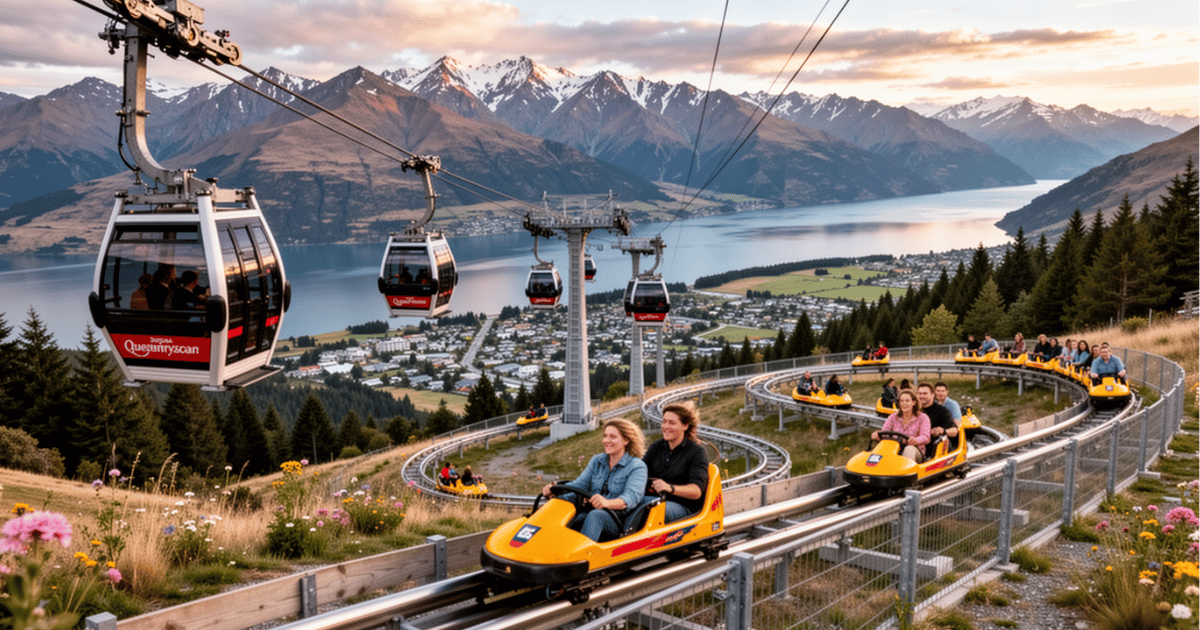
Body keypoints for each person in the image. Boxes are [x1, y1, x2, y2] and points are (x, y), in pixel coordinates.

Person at [542, 418, 647, 541]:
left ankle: (580, 556)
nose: (607, 441)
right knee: (572, 515)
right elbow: (579, 485)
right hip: (591, 513)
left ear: (626, 440)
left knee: (595, 516)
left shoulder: (637, 466)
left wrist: (607, 503)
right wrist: (555, 491)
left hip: (618, 520)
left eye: (613, 437)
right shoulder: (597, 461)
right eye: (605, 436)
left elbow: (631, 497)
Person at [638, 401, 709, 525]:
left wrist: (669, 488)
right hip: (656, 499)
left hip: (683, 507)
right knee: (630, 503)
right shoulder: (656, 447)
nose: (665, 426)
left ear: (685, 426)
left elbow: (696, 491)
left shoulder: (697, 452)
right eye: (664, 421)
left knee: (652, 509)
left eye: (671, 423)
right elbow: (640, 472)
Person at [873, 389, 929, 462]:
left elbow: (926, 437)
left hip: (915, 451)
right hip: (895, 450)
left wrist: (916, 440)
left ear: (914, 402)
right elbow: (885, 432)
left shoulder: (923, 418)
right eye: (901, 401)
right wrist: (878, 435)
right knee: (882, 447)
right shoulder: (893, 417)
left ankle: (905, 471)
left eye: (907, 401)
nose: (904, 403)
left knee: (909, 449)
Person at [918, 382, 958, 459]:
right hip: (916, 445)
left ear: (933, 395)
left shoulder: (942, 411)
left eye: (925, 393)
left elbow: (954, 431)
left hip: (933, 448)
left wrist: (943, 431)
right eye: (920, 394)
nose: (922, 396)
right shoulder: (914, 410)